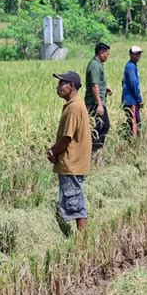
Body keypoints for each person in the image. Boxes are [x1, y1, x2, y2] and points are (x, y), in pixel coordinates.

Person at [48, 71, 92, 235]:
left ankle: (82, 237)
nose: (58, 87)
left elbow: (67, 137)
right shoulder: (75, 104)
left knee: (74, 202)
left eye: (61, 83)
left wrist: (53, 151)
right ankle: (82, 236)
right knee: (76, 198)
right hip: (74, 162)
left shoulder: (73, 107)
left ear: (71, 86)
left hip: (71, 163)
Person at [84, 42, 112, 154]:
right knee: (102, 126)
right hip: (95, 103)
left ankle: (95, 151)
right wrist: (99, 104)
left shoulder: (98, 64)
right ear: (101, 52)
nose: (107, 56)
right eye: (107, 54)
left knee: (100, 126)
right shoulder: (95, 65)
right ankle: (93, 151)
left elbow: (97, 85)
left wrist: (105, 90)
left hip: (97, 101)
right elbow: (94, 85)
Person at [122, 46, 143, 137]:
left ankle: (129, 140)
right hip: (131, 101)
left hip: (131, 100)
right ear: (130, 55)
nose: (138, 55)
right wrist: (139, 99)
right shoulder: (130, 66)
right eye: (136, 53)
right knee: (135, 124)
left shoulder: (132, 66)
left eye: (139, 53)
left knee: (132, 122)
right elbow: (133, 83)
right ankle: (133, 143)